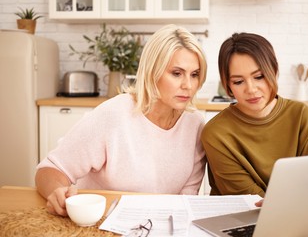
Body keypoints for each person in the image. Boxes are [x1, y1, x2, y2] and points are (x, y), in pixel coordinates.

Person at [35, 24, 208, 216]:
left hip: (157, 228)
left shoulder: (195, 125)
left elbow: (186, 199)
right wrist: (57, 192)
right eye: (177, 73)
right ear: (152, 71)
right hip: (100, 225)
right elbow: (51, 169)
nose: (188, 85)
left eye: (194, 75)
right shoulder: (113, 114)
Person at [201, 32, 308, 201]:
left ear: (273, 71)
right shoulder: (216, 133)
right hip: (242, 219)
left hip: (298, 214)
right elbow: (250, 200)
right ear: (228, 85)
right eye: (238, 81)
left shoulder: (300, 114)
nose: (251, 89)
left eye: (259, 77)